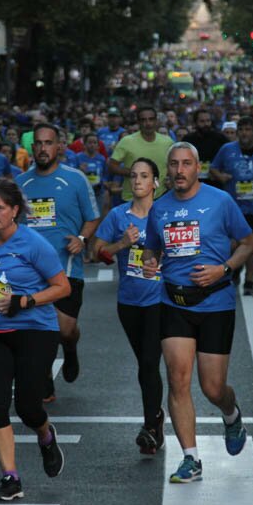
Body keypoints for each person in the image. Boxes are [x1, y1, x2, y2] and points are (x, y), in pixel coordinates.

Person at [142, 142, 253, 483]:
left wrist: (223, 269)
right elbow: (152, 246)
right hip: (173, 302)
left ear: (197, 168)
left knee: (213, 387)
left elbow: (248, 242)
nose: (179, 170)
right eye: (174, 164)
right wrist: (150, 260)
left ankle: (231, 414)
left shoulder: (220, 201)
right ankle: (190, 458)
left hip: (215, 302)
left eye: (186, 164)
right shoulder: (159, 208)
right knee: (177, 380)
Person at [0, 180, 70, 501]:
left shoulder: (33, 243)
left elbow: (62, 287)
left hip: (34, 331)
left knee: (27, 407)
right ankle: (11, 477)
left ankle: (46, 435)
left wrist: (25, 301)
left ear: (15, 211)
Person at [15, 124, 100, 397]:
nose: (42, 148)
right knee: (37, 330)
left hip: (67, 267)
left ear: (59, 147)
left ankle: (71, 348)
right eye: (38, 143)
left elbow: (93, 216)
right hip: (30, 271)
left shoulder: (75, 179)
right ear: (32, 148)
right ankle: (44, 380)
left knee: (65, 329)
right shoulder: (21, 183)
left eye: (48, 143)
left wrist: (82, 239)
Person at [92, 158, 166, 454]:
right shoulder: (118, 216)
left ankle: (151, 425)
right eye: (133, 176)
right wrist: (121, 244)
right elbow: (96, 251)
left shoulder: (166, 212)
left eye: (144, 176)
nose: (137, 181)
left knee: (150, 361)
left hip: (161, 300)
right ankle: (155, 417)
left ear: (155, 183)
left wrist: (162, 262)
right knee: (144, 364)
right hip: (129, 301)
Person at [210, 117, 253, 295]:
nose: (244, 133)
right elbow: (213, 168)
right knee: (233, 244)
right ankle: (236, 267)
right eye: (241, 129)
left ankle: (249, 280)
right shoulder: (226, 150)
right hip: (232, 206)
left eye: (248, 130)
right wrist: (221, 177)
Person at [108, 106, 173, 201]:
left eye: (151, 119)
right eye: (143, 120)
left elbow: (174, 165)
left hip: (159, 198)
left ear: (156, 121)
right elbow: (112, 166)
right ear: (139, 122)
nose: (148, 123)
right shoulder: (126, 141)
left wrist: (170, 180)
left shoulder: (167, 142)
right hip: (132, 198)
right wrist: (133, 173)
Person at [184, 108, 227, 189]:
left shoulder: (220, 138)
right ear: (195, 123)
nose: (206, 124)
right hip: (194, 184)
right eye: (202, 121)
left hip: (215, 184)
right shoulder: (188, 140)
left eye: (208, 121)